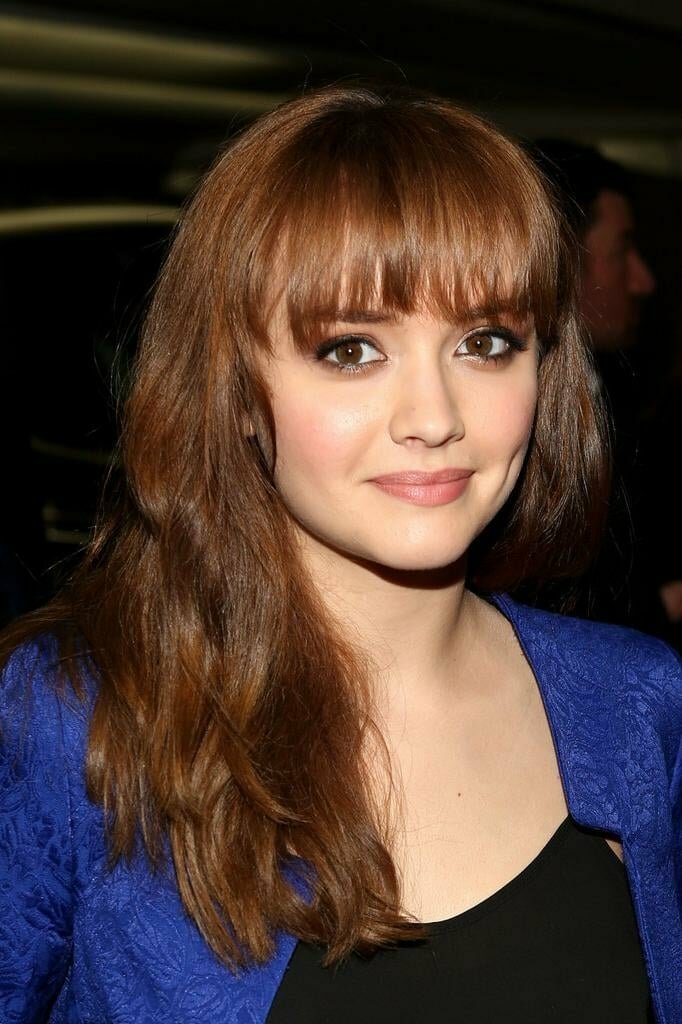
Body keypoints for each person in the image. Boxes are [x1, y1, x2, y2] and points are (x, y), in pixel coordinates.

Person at [0, 85, 680, 1024]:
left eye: (485, 342)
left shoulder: (639, 705)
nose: (434, 417)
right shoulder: (74, 720)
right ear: (236, 392)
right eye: (352, 350)